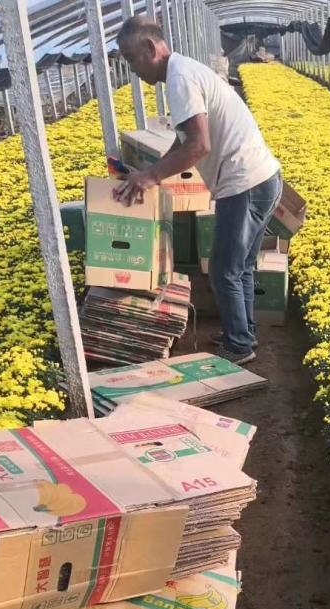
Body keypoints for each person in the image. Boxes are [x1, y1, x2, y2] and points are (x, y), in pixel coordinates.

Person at [115, 16, 282, 365]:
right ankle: (243, 333)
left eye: (131, 58)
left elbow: (198, 145)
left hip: (245, 183)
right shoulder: (184, 71)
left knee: (224, 270)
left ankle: (240, 345)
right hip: (261, 178)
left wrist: (149, 178)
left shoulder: (180, 78)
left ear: (150, 48)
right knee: (241, 267)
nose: (133, 69)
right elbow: (182, 139)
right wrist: (148, 170)